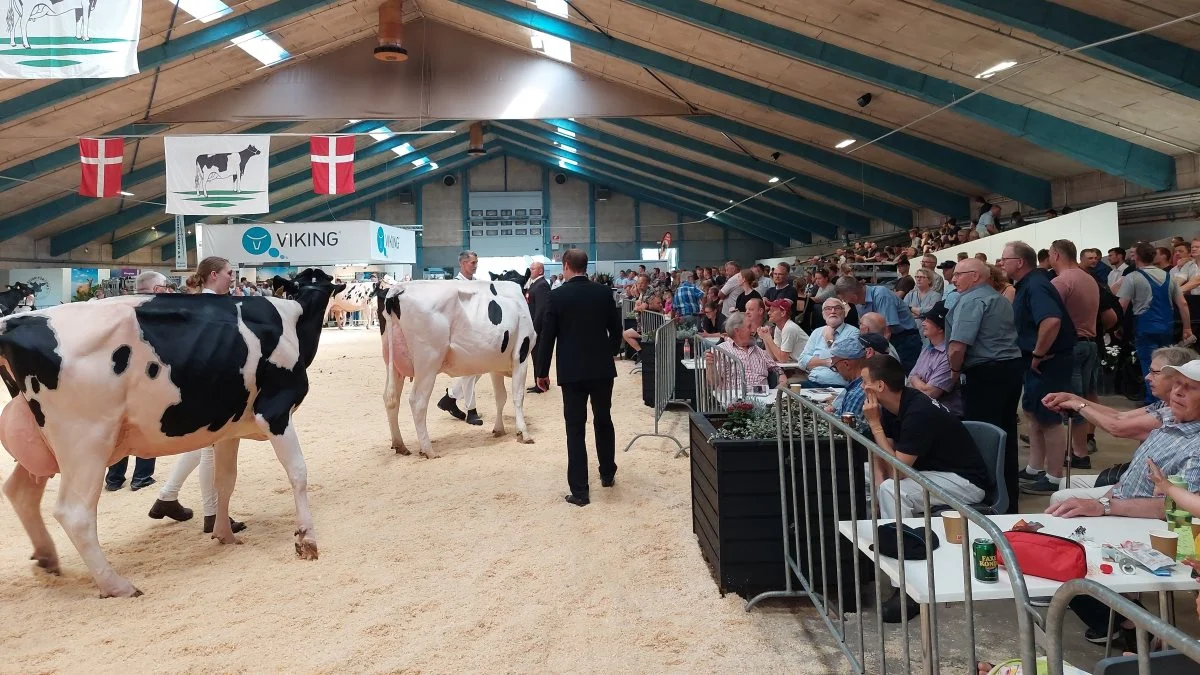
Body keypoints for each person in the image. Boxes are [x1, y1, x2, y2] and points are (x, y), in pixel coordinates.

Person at [1045, 358, 1200, 644]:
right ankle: (1130, 622)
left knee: (1070, 563)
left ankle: (1133, 626)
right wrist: (1106, 499)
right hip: (1122, 507)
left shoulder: (1196, 444)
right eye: (1177, 383)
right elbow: (1118, 425)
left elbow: (1176, 510)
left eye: (1189, 388)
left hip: (1152, 527)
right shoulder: (1169, 417)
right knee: (1055, 542)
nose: (1177, 392)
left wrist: (1104, 506)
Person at [863, 354, 989, 623]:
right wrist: (877, 488)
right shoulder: (893, 405)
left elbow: (898, 470)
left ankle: (907, 587)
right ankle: (880, 549)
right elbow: (878, 452)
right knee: (871, 481)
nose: (863, 388)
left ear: (880, 386)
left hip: (964, 481)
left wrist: (874, 425)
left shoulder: (918, 411)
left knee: (892, 491)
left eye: (866, 383)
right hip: (931, 472)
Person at [147, 257, 246, 534]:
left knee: (202, 446)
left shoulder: (197, 303)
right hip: (207, 384)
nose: (232, 277)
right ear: (214, 275)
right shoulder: (211, 306)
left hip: (193, 382)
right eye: (229, 272)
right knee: (212, 450)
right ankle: (212, 515)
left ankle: (167, 497)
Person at [534, 249, 622, 507]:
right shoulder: (604, 293)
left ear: (567, 266)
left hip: (572, 372)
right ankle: (607, 474)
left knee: (575, 428)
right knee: (603, 419)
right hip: (602, 369)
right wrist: (610, 352)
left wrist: (542, 371)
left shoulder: (556, 296)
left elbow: (547, 337)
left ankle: (580, 492)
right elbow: (616, 330)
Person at [945, 258, 1024, 512]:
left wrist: (954, 372)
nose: (953, 279)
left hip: (985, 373)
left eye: (958, 274)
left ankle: (988, 497)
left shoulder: (971, 300)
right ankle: (1009, 497)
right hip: (1010, 369)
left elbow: (958, 346)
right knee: (1006, 436)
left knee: (983, 437)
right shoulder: (1000, 299)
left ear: (975, 277)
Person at [1001, 240, 1077, 497]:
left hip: (1048, 362)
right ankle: (1035, 468)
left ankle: (1054, 476)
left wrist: (1038, 354)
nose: (1001, 264)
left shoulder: (1036, 284)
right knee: (1034, 414)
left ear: (1019, 262)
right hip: (1037, 361)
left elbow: (1051, 320)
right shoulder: (1028, 284)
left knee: (1049, 417)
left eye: (1004, 260)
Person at [104, 271, 173, 493]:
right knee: (145, 426)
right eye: (164, 286)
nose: (166, 290)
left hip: (116, 376)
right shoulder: (157, 309)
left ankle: (114, 479)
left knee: (119, 426)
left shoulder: (118, 307)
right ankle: (141, 477)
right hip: (146, 376)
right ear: (156, 289)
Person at [1047, 240, 1101, 470]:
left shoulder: (1061, 282)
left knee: (1072, 402)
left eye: (1050, 255)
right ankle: (1079, 447)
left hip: (1072, 347)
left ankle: (1078, 452)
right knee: (1085, 399)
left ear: (1056, 255)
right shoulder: (1089, 279)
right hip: (1090, 344)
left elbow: (1050, 318)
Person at [1118, 242, 1194, 403]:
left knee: (1150, 368)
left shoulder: (1133, 277)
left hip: (1144, 328)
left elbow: (1122, 306)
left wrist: (1117, 326)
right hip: (1166, 327)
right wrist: (1187, 327)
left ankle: (1152, 404)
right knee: (1165, 367)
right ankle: (1167, 402)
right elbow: (1183, 303)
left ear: (1137, 256)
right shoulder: (1168, 277)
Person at [834, 276, 921, 373]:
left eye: (845, 299)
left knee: (900, 376)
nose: (846, 302)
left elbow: (887, 331)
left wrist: (878, 355)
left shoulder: (881, 294)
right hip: (882, 339)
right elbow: (865, 329)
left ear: (853, 296)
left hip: (905, 340)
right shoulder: (858, 302)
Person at [438, 251, 484, 425]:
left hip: (477, 332)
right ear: (463, 264)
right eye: (473, 262)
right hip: (460, 333)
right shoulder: (453, 285)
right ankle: (471, 411)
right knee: (471, 370)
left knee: (479, 369)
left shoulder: (478, 283)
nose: (475, 265)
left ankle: (450, 398)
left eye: (476, 262)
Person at [907, 302, 962, 416]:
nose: (923, 323)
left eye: (928, 320)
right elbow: (911, 377)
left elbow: (930, 393)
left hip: (944, 415)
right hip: (923, 409)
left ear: (940, 328)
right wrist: (921, 383)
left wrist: (917, 379)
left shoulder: (948, 356)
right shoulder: (927, 349)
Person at [707, 311, 782, 392]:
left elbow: (779, 372)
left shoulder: (760, 351)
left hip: (764, 400)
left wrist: (779, 388)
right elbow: (713, 383)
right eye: (749, 327)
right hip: (736, 401)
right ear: (737, 331)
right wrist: (711, 366)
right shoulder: (721, 351)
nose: (753, 330)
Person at [796, 299, 861, 387]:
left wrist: (829, 340)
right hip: (813, 382)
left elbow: (847, 365)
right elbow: (802, 361)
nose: (833, 311)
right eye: (828, 308)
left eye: (837, 308)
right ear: (823, 314)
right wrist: (828, 362)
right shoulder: (817, 332)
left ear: (844, 313)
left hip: (840, 386)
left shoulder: (853, 332)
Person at [525, 261, 551, 394]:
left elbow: (541, 309)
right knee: (536, 355)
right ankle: (539, 381)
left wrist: (535, 329)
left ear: (540, 271)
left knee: (540, 356)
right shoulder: (535, 284)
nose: (531, 271)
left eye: (533, 268)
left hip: (539, 327)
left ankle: (541, 383)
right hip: (534, 324)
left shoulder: (541, 285)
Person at [828, 337, 869, 419]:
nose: (837, 371)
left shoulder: (857, 393)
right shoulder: (857, 386)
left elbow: (845, 429)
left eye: (835, 367)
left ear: (846, 364)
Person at [758, 298, 807, 363]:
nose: (769, 313)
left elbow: (783, 359)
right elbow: (773, 357)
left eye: (772, 310)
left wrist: (769, 338)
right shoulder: (778, 328)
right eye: (769, 310)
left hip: (812, 368)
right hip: (802, 365)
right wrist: (765, 338)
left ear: (783, 313)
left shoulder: (789, 328)